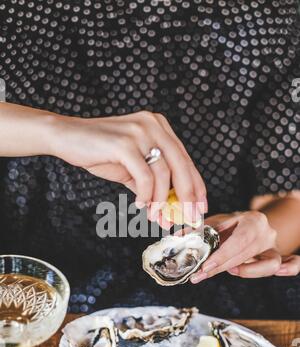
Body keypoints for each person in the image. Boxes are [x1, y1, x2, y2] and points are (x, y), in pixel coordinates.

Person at [0, 0, 299, 318]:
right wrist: (54, 131)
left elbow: (288, 198)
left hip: (218, 294)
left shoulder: (270, 15)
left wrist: (251, 239)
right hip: (39, 276)